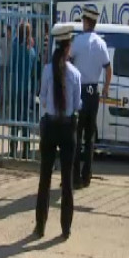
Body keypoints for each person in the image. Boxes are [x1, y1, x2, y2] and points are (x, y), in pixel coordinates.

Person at [34, 25, 82, 240]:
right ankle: (66, 228)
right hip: (68, 127)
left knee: (45, 178)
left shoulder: (46, 71)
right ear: (68, 47)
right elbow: (77, 104)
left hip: (50, 126)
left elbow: (42, 98)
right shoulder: (76, 74)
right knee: (67, 181)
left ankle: (40, 226)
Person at [71, 6, 112, 189]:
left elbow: (68, 62)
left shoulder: (77, 42)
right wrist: (106, 88)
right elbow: (108, 68)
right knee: (90, 136)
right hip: (93, 93)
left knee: (75, 135)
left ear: (86, 22)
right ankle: (87, 175)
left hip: (79, 92)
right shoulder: (101, 43)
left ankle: (74, 176)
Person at [9, 22, 37, 159]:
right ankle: (26, 150)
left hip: (15, 87)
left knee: (14, 117)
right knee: (26, 119)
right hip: (27, 88)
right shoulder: (31, 51)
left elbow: (11, 65)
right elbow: (34, 71)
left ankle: (12, 149)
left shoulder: (14, 47)